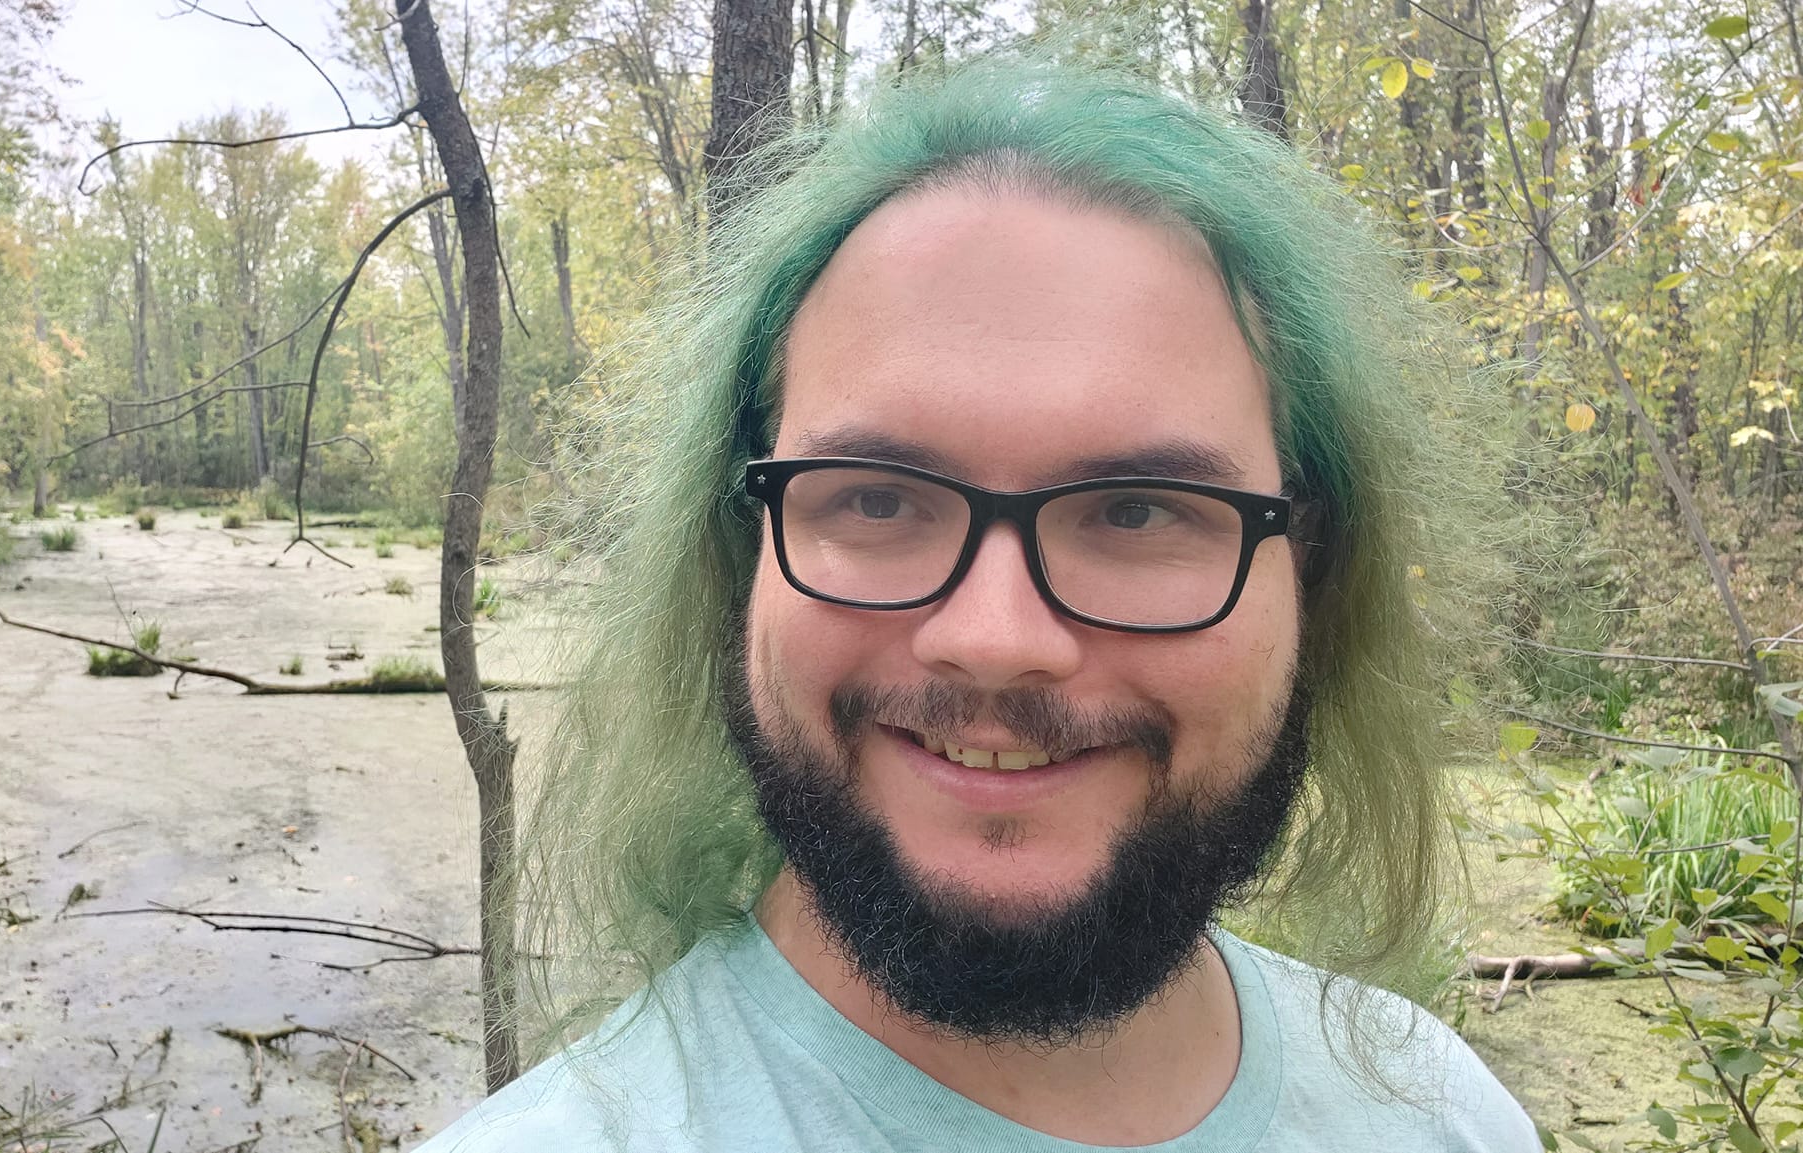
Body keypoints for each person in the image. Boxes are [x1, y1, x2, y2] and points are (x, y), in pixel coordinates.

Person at [424, 47, 1538, 1153]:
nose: (994, 639)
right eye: (871, 499)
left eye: (1139, 511)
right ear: (737, 559)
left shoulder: (1437, 1110)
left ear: (1311, 571)